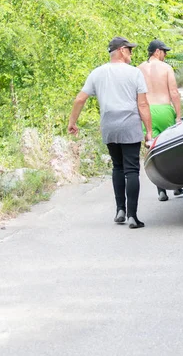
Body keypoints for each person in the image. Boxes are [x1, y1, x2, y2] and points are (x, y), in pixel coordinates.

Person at [68, 36, 153, 229]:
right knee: (131, 169)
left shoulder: (97, 73)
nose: (131, 54)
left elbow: (80, 99)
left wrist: (72, 122)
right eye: (130, 50)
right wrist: (149, 131)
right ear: (122, 50)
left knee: (117, 167)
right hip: (129, 124)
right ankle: (132, 215)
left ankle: (120, 210)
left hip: (109, 125)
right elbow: (142, 104)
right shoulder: (134, 73)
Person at [138, 39, 183, 202]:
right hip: (164, 109)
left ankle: (161, 190)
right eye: (164, 52)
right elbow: (173, 92)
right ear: (157, 51)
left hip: (147, 111)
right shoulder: (166, 68)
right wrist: (178, 116)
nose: (165, 55)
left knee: (153, 150)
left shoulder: (139, 69)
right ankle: (177, 185)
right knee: (171, 148)